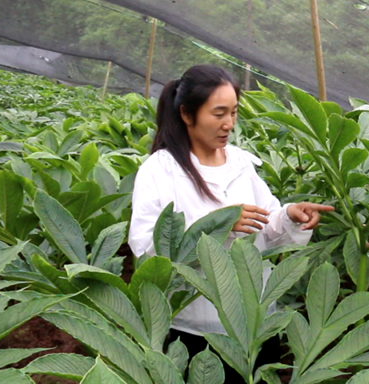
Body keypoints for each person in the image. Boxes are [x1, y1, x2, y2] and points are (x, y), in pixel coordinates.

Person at [128, 65, 333, 380]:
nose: (229, 124)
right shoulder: (160, 170)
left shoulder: (240, 163)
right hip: (196, 331)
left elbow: (267, 225)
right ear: (186, 114)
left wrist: (290, 215)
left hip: (255, 324)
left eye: (234, 113)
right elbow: (146, 249)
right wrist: (217, 225)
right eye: (218, 113)